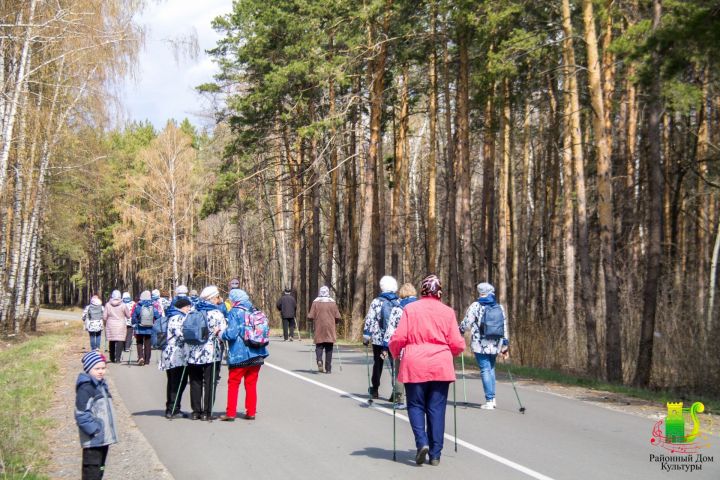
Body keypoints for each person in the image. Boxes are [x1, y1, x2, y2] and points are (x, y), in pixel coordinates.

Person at [389, 275, 465, 466]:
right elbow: (456, 343)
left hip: (414, 363)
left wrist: (395, 353)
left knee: (415, 405)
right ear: (439, 291)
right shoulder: (448, 312)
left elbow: (398, 338)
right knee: (436, 408)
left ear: (423, 290)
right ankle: (436, 454)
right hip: (440, 364)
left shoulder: (410, 309)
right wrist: (454, 352)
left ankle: (421, 442)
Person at [219, 288, 269, 421]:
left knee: (234, 383)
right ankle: (251, 412)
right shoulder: (254, 309)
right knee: (251, 383)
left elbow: (231, 333)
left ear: (235, 299)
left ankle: (230, 413)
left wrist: (220, 333)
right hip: (257, 351)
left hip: (239, 354)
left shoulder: (234, 312)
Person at [459, 282, 509, 410]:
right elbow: (504, 327)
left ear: (480, 293)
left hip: (480, 344)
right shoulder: (499, 307)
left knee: (485, 369)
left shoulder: (476, 306)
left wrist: (460, 331)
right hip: (495, 343)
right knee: (491, 368)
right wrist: (505, 346)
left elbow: (466, 322)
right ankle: (492, 398)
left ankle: (489, 400)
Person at [75, 351, 117, 480]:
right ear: (88, 369)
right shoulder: (86, 388)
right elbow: (81, 415)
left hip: (103, 439)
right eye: (97, 368)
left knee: (100, 469)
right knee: (91, 472)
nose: (101, 371)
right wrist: (95, 430)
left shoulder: (101, 386)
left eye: (103, 368)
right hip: (93, 440)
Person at [186, 285, 226, 421]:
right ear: (212, 298)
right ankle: (207, 412)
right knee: (210, 383)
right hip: (211, 353)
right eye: (217, 297)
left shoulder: (192, 311)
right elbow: (223, 334)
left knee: (195, 382)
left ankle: (195, 411)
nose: (218, 299)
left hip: (193, 352)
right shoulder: (217, 314)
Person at [363, 275, 400, 399]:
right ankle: (395, 391)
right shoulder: (398, 302)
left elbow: (370, 319)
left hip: (378, 339)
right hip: (393, 339)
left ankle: (375, 389)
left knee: (378, 364)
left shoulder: (377, 301)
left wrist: (367, 336)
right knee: (395, 365)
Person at [382, 282, 418, 408]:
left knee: (399, 373)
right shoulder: (420, 307)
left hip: (401, 346)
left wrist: (385, 346)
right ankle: (415, 400)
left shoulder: (397, 308)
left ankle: (399, 400)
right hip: (417, 346)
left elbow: (390, 329)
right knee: (415, 374)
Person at [159, 297, 191, 419]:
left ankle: (171, 407)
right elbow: (181, 335)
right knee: (178, 382)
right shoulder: (178, 318)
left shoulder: (171, 316)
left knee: (173, 381)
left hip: (169, 353)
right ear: (182, 307)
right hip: (176, 354)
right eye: (187, 306)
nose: (189, 308)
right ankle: (173, 409)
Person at [307, 286, 341, 373]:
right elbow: (337, 316)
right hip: (330, 328)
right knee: (329, 348)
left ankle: (319, 360)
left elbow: (310, 316)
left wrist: (311, 320)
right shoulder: (332, 303)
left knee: (319, 345)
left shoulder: (315, 302)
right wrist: (335, 322)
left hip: (319, 327)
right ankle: (328, 369)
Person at [131, 290, 161, 366]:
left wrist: (134, 323)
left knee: (139, 342)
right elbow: (157, 316)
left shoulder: (138, 306)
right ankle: (147, 360)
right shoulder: (152, 306)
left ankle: (141, 357)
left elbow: (134, 316)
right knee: (148, 343)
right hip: (149, 328)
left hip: (140, 327)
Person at [103, 290, 130, 363]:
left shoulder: (107, 304)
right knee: (120, 341)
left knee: (112, 341)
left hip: (110, 325)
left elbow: (104, 317)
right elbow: (128, 315)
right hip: (120, 325)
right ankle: (118, 359)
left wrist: (105, 323)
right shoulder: (123, 305)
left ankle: (112, 358)